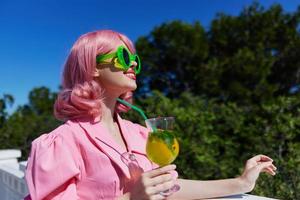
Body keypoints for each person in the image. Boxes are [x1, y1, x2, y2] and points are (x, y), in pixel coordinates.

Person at [24, 30, 277, 200]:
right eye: (124, 57)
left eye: (135, 59)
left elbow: (167, 190)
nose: (133, 64)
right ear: (93, 67)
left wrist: (241, 183)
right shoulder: (63, 142)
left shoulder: (140, 133)